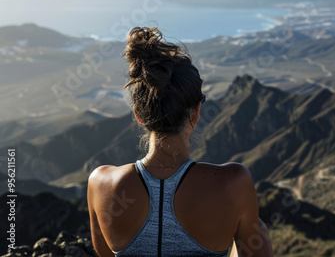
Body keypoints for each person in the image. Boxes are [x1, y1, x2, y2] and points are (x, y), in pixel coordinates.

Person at [87, 26, 273, 257]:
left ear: (138, 114)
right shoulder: (234, 182)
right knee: (258, 229)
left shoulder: (99, 183)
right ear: (196, 113)